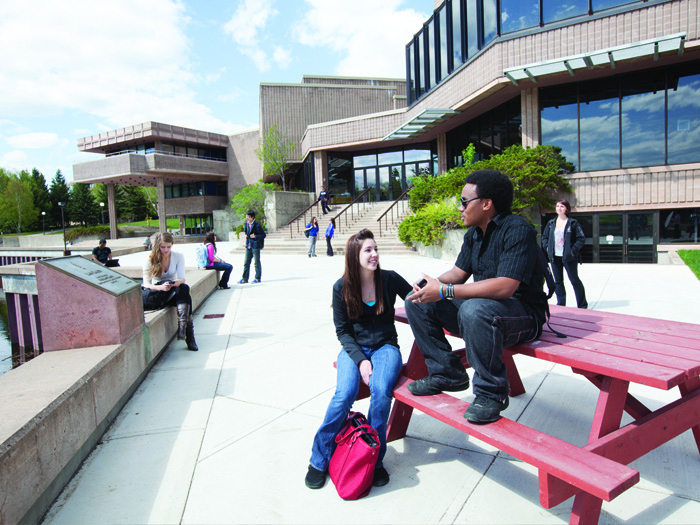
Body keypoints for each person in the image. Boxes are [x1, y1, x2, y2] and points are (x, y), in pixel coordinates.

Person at [404, 170, 547, 424]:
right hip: (486, 312)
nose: (460, 208)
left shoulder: (517, 230)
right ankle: (447, 373)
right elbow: (458, 273)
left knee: (474, 309)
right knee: (416, 301)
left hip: (523, 314)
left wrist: (444, 291)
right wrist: (431, 286)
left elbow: (505, 287)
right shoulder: (474, 234)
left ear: (486, 203)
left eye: (464, 201)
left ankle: (490, 394)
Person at [305, 229, 412, 490]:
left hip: (386, 347)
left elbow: (415, 298)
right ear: (355, 255)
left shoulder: (389, 279)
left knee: (380, 391)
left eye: (375, 249)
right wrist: (361, 360)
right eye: (368, 250)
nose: (374, 254)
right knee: (344, 394)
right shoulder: (341, 287)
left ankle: (374, 460)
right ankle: (318, 460)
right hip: (354, 350)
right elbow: (343, 331)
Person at [142, 232, 198, 351]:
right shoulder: (150, 259)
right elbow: (146, 284)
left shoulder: (178, 256)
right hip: (158, 292)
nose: (166, 250)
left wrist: (177, 282)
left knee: (184, 287)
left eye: (168, 247)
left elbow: (183, 278)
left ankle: (183, 328)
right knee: (185, 291)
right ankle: (189, 336)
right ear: (157, 246)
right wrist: (161, 287)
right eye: (163, 247)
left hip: (172, 289)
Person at [542, 199, 588, 309]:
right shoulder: (551, 223)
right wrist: (548, 248)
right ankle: (561, 304)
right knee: (558, 282)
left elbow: (581, 238)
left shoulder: (572, 223)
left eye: (562, 206)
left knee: (574, 280)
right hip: (555, 257)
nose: (559, 208)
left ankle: (582, 305)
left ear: (566, 208)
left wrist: (572, 251)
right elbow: (545, 237)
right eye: (557, 206)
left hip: (569, 257)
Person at [238, 210, 266, 284]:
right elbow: (246, 232)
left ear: (252, 217)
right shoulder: (246, 224)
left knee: (256, 263)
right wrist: (246, 235)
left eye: (248, 217)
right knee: (246, 263)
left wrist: (255, 236)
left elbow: (263, 235)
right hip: (248, 246)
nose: (247, 218)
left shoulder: (257, 225)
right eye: (246, 216)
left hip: (255, 246)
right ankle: (244, 279)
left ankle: (257, 278)